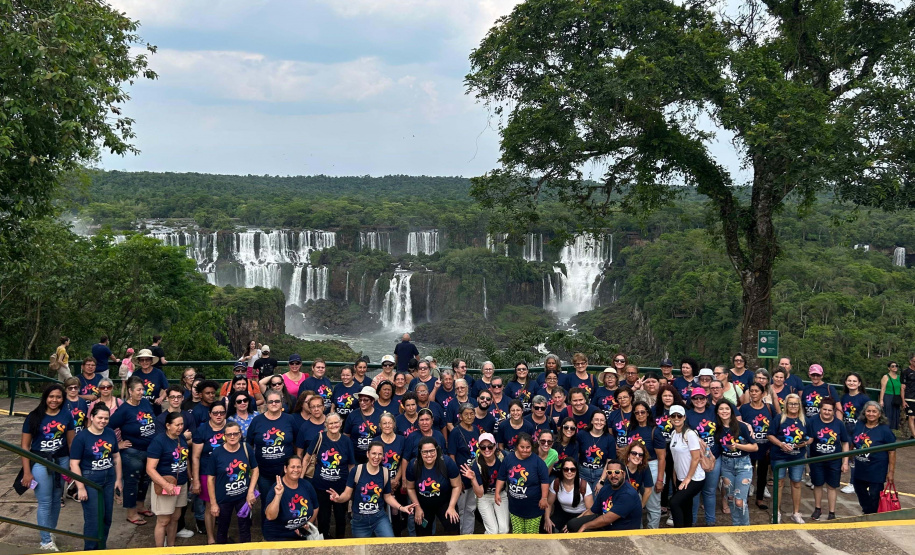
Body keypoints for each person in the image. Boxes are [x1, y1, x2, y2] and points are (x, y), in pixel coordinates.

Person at [21, 385, 75, 551]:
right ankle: (45, 542)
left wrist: (73, 466)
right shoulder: (33, 416)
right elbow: (25, 446)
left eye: (58, 397)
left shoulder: (67, 415)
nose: (54, 400)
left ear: (63, 399)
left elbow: (71, 443)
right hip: (40, 461)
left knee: (57, 499)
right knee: (45, 501)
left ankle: (50, 532)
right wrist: (27, 472)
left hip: (62, 460)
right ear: (45, 397)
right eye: (51, 396)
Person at [328, 441, 414, 538]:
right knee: (362, 547)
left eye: (380, 454)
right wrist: (338, 499)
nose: (376, 457)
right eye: (373, 453)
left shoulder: (385, 472)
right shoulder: (357, 470)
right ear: (367, 454)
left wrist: (402, 507)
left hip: (379, 518)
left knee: (389, 543)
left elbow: (388, 497)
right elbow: (347, 494)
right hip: (360, 520)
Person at [69, 404, 122, 550]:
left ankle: (101, 548)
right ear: (92, 417)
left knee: (106, 518)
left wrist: (118, 479)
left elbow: (116, 456)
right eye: (100, 418)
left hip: (109, 478)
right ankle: (90, 550)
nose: (103, 421)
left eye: (106, 418)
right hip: (90, 480)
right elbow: (74, 463)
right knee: (94, 519)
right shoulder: (81, 437)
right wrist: (81, 487)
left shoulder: (110, 433)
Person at [108, 376, 157, 525]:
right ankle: (131, 513)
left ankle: (140, 506)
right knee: (132, 482)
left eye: (143, 389)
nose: (141, 392)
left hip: (149, 450)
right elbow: (108, 427)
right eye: (138, 390)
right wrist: (118, 444)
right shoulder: (124, 410)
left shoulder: (145, 403)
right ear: (130, 391)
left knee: (145, 480)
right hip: (132, 452)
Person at [204, 421, 258, 544]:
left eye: (235, 434)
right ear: (224, 436)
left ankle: (246, 550)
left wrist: (251, 491)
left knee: (245, 527)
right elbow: (210, 479)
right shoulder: (217, 453)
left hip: (243, 497)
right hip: (224, 499)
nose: (232, 437)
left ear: (240, 434)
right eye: (229, 434)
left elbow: (255, 469)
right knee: (222, 529)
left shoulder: (246, 448)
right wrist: (213, 503)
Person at [304, 412, 354, 539]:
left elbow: (351, 465)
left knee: (341, 519)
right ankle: (324, 543)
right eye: (330, 423)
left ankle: (340, 543)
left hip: (341, 488)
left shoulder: (346, 441)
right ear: (326, 425)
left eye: (336, 422)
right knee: (323, 519)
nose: (333, 425)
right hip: (321, 487)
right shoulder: (319, 437)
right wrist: (300, 480)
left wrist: (350, 487)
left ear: (341, 423)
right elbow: (306, 458)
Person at [146, 411, 189, 548]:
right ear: (168, 425)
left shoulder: (181, 438)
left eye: (182, 424)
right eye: (177, 425)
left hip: (181, 484)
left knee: (175, 518)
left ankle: (171, 547)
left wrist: (191, 478)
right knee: (163, 521)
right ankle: (160, 550)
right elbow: (150, 469)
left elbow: (185, 459)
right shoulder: (158, 441)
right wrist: (165, 485)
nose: (180, 427)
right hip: (165, 484)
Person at [768, 393, 812, 524]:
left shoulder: (805, 420)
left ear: (800, 405)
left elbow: (811, 437)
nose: (793, 406)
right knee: (779, 483)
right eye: (791, 403)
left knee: (796, 482)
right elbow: (770, 435)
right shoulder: (779, 418)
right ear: (786, 405)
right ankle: (776, 512)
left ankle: (796, 513)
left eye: (796, 404)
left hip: (797, 456)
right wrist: (781, 444)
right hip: (779, 455)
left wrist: (804, 443)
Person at [713, 400, 757, 526]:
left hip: (743, 465)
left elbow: (755, 447)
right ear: (717, 412)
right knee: (731, 498)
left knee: (739, 501)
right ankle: (736, 526)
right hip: (726, 465)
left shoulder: (741, 426)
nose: (724, 411)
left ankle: (745, 528)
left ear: (731, 411)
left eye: (727, 409)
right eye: (721, 409)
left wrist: (737, 445)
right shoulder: (716, 427)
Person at [566, 459, 642, 532]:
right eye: (609, 472)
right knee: (572, 525)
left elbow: (607, 519)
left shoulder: (628, 494)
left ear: (624, 474)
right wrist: (577, 520)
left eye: (617, 472)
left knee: (583, 529)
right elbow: (592, 511)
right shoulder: (605, 488)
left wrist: (585, 526)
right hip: (606, 525)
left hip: (622, 531)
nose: (613, 475)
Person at [495, 433, 550, 534]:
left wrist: (544, 498)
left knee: (531, 534)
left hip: (533, 507)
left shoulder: (538, 462)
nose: (525, 450)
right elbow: (501, 477)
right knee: (517, 534)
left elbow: (545, 481)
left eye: (528, 447)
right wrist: (497, 492)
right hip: (515, 507)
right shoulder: (508, 459)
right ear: (517, 446)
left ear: (532, 447)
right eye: (522, 447)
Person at [406, 436, 461, 536]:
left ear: (437, 450)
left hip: (445, 502)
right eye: (425, 452)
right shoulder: (413, 465)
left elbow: (457, 486)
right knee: (422, 532)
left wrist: (452, 507)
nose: (429, 455)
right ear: (420, 452)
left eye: (432, 451)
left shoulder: (447, 462)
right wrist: (417, 508)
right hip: (423, 503)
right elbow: (410, 488)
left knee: (453, 524)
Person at [247, 390, 297, 499]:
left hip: (286, 472)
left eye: (277, 401)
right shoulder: (257, 420)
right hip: (264, 473)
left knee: (287, 501)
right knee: (267, 502)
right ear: (266, 403)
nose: (274, 404)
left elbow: (296, 442)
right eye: (270, 401)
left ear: (281, 402)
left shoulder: (289, 419)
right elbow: (248, 444)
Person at [806, 399, 849, 521]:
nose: (827, 412)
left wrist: (845, 462)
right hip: (816, 458)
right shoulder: (812, 421)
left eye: (830, 410)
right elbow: (808, 439)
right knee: (817, 484)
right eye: (824, 409)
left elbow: (845, 442)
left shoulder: (839, 424)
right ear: (820, 409)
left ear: (833, 411)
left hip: (834, 460)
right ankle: (817, 509)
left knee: (832, 486)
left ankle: (832, 512)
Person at [626, 400, 667, 528]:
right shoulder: (631, 429)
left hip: (652, 466)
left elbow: (662, 458)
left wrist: (660, 480)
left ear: (648, 413)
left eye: (642, 412)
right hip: (634, 467)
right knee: (635, 501)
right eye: (637, 412)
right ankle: (638, 529)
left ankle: (652, 531)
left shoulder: (655, 431)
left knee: (653, 505)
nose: (640, 415)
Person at [851, 401, 897, 514]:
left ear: (879, 414)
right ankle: (868, 511)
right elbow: (852, 442)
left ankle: (871, 514)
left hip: (876, 469)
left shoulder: (885, 430)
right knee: (859, 489)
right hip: (860, 467)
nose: (871, 414)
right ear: (864, 412)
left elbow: (892, 452)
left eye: (874, 411)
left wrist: (891, 472)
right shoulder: (859, 425)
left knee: (875, 495)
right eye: (868, 411)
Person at [191, 403, 227, 544]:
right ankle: (211, 538)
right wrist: (195, 480)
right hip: (207, 473)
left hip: (227, 473)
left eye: (222, 412)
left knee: (225, 506)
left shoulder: (230, 428)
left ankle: (222, 536)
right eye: (215, 413)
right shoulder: (202, 430)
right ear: (210, 414)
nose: (219, 415)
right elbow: (195, 457)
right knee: (210, 505)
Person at [262, 456, 319, 541]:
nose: (296, 470)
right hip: (278, 537)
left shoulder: (307, 485)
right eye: (292, 467)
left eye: (298, 467)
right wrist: (278, 495)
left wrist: (307, 526)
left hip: (301, 536)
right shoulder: (277, 488)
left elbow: (315, 507)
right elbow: (270, 516)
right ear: (285, 469)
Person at [667, 405, 706, 528]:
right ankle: (688, 530)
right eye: (673, 416)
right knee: (686, 506)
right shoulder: (674, 433)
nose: (676, 418)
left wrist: (688, 478)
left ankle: (679, 532)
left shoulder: (690, 434)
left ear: (684, 417)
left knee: (674, 502)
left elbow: (696, 458)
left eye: (679, 416)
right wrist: (675, 475)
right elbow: (676, 457)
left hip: (694, 478)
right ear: (670, 418)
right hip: (680, 477)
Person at [686, 386, 719, 526]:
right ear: (692, 400)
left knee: (710, 491)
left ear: (706, 399)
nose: (699, 400)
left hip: (713, 456)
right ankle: (692, 521)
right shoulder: (688, 414)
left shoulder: (714, 411)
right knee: (694, 492)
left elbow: (728, 422)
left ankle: (710, 521)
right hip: (695, 458)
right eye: (695, 398)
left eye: (702, 398)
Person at [462, 432, 508, 534]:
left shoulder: (503, 457)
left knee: (504, 530)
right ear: (479, 448)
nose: (487, 450)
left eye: (490, 446)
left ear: (495, 446)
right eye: (483, 447)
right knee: (493, 531)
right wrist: (473, 479)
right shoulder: (476, 464)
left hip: (500, 494)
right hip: (485, 497)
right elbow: (480, 494)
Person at [738, 382, 775, 509]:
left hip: (765, 447)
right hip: (749, 446)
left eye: (756, 391)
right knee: (747, 473)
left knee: (762, 473)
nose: (753, 393)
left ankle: (760, 498)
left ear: (763, 393)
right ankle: (745, 497)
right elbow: (739, 426)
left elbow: (775, 425)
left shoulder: (769, 408)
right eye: (751, 391)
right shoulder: (744, 408)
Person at [449, 404, 481, 534]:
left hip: (473, 476)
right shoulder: (455, 432)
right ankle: (460, 535)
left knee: (471, 508)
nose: (469, 417)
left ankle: (469, 534)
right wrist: (457, 478)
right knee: (461, 509)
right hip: (461, 476)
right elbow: (451, 455)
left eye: (472, 414)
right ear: (460, 416)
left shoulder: (476, 429)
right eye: (466, 414)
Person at [543, 459, 593, 533]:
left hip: (581, 515)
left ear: (576, 471)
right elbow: (549, 503)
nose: (569, 472)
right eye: (566, 469)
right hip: (563, 513)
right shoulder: (556, 483)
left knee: (570, 528)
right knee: (549, 528)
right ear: (562, 471)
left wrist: (575, 522)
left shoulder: (583, 485)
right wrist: (547, 518)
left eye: (572, 469)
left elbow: (590, 509)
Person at [840, 373, 869, 494]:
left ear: (859, 383)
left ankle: (853, 483)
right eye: (849, 380)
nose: (851, 383)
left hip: (859, 430)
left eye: (854, 381)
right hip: (847, 429)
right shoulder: (844, 397)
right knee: (849, 457)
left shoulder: (864, 399)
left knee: (857, 457)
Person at [577, 410, 614, 493]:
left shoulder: (610, 439)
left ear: (605, 423)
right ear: (592, 421)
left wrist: (602, 481)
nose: (599, 422)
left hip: (600, 474)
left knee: (597, 497)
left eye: (602, 420)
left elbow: (609, 462)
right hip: (583, 473)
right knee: (583, 497)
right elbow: (577, 456)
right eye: (596, 419)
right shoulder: (582, 435)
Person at [345, 387, 382, 464]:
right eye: (360, 400)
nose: (362, 402)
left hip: (376, 457)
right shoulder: (352, 415)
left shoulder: (380, 415)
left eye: (366, 400)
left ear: (372, 401)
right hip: (356, 457)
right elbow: (346, 436)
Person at [612, 441, 652, 509]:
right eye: (634, 453)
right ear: (628, 454)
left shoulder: (644, 467)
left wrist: (640, 507)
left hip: (633, 499)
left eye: (640, 455)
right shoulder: (620, 465)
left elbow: (648, 490)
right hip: (616, 499)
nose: (637, 456)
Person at [132, 349, 168, 415]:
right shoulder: (135, 375)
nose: (144, 362)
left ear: (151, 361)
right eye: (142, 360)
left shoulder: (159, 373)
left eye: (147, 360)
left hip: (155, 408)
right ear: (139, 361)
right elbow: (130, 390)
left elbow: (166, 388)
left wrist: (161, 398)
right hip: (139, 408)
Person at [608, 387, 633, 454]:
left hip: (634, 450)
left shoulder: (637, 413)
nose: (622, 399)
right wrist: (616, 447)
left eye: (625, 397)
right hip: (618, 450)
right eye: (619, 398)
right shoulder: (613, 414)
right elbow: (610, 434)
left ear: (630, 398)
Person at [880, 361, 903, 430]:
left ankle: (892, 430)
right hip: (888, 397)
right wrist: (881, 400)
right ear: (889, 368)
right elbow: (883, 389)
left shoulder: (899, 377)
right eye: (892, 366)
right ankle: (886, 429)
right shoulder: (886, 377)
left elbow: (901, 389)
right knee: (888, 414)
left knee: (895, 415)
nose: (895, 367)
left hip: (897, 397)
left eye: (896, 366)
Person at [902, 354, 915, 440]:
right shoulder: (906, 372)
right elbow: (902, 387)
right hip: (909, 397)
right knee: (911, 416)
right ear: (911, 361)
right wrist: (903, 400)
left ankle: (912, 435)